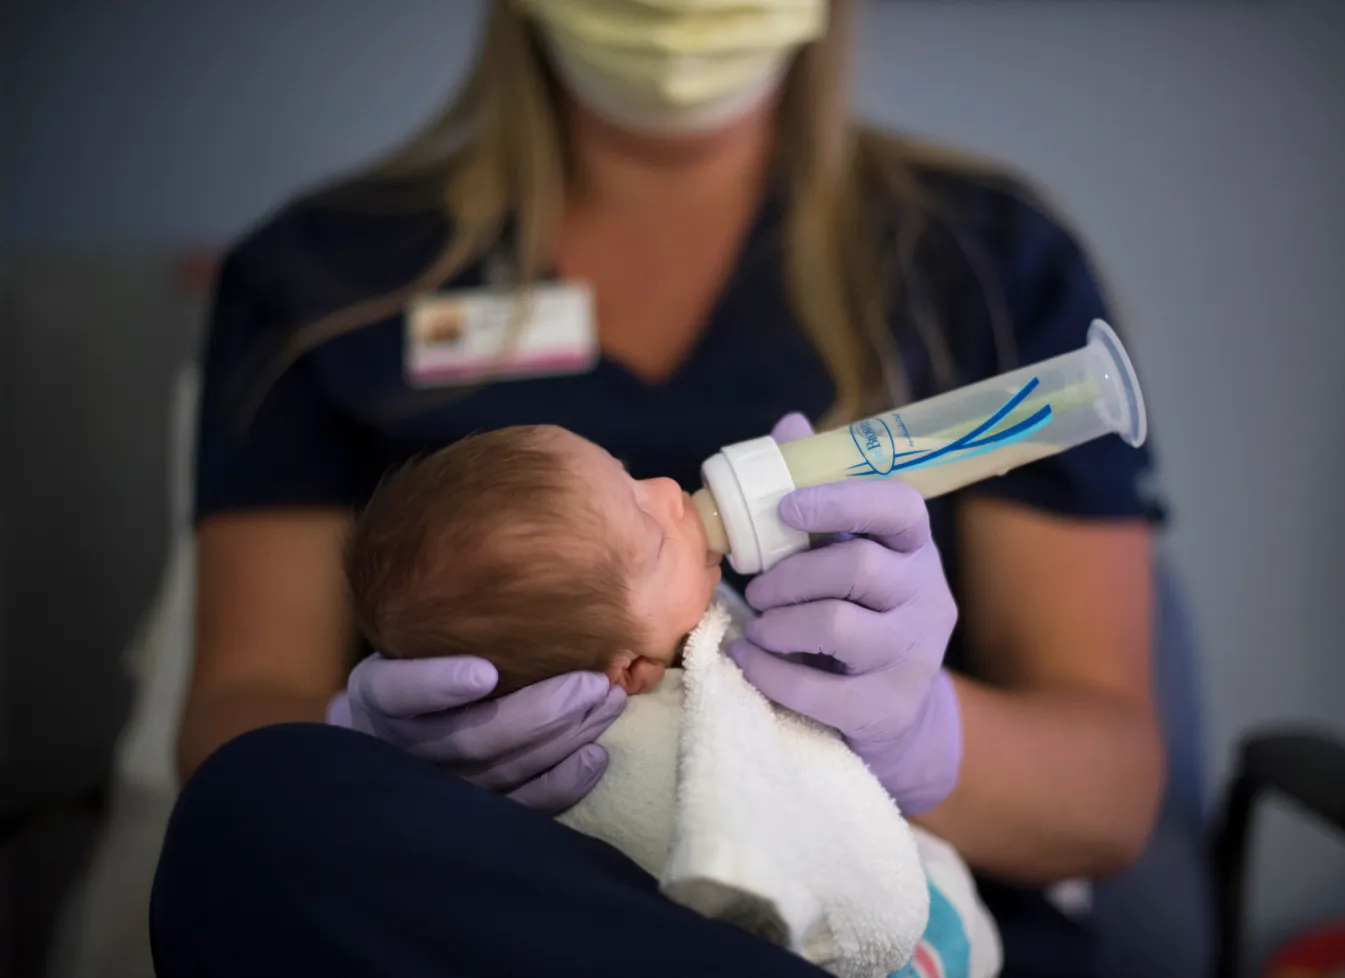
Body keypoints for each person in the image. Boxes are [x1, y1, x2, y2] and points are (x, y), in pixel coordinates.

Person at [160, 0, 1168, 974]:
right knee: (244, 808)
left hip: (899, 940)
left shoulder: (983, 262)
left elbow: (1111, 799)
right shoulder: (322, 285)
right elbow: (234, 719)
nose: (666, 489)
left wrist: (921, 737)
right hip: (484, 913)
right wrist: (362, 750)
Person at [345, 424, 722, 697]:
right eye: (656, 539)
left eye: (627, 475)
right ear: (631, 670)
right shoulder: (672, 744)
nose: (669, 488)